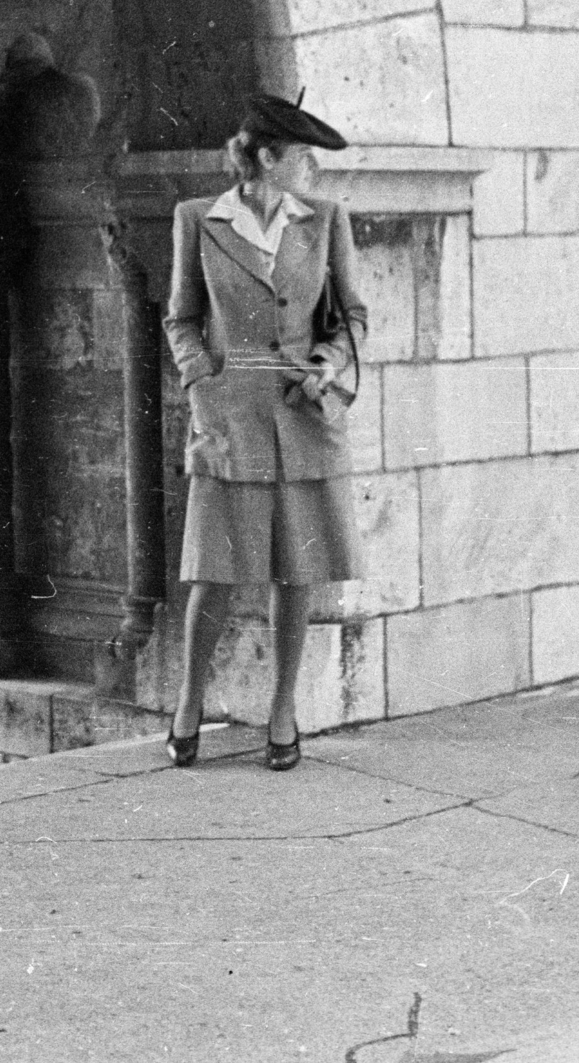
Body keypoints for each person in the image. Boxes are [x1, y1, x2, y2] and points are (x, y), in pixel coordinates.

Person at [161, 92, 367, 772]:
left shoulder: (326, 220)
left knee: (297, 571)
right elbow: (180, 319)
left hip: (306, 418)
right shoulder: (198, 220)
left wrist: (325, 365)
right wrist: (200, 383)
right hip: (229, 419)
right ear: (267, 158)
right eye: (302, 155)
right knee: (214, 574)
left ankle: (282, 712)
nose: (311, 168)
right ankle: (189, 700)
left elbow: (351, 319)